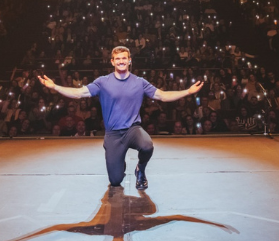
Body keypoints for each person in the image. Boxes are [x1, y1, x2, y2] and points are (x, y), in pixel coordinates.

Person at [38, 46, 203, 190]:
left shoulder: (139, 82)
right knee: (115, 181)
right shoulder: (103, 82)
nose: (121, 61)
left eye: (124, 58)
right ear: (112, 62)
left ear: (130, 60)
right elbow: (79, 93)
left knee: (147, 146)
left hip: (133, 129)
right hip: (113, 134)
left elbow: (162, 96)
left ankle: (141, 170)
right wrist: (55, 87)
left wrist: (188, 92)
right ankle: (117, 158)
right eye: (118, 59)